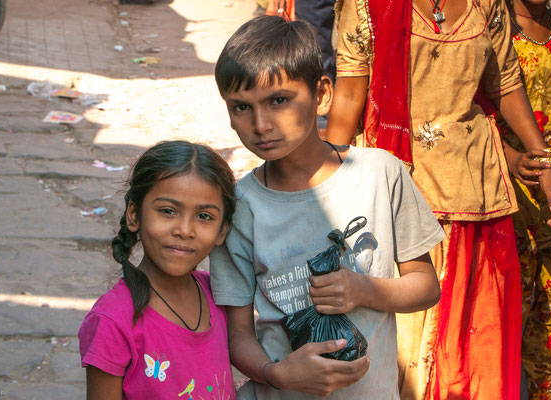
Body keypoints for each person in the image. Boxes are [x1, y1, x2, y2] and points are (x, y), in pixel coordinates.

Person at [325, 0, 551, 399]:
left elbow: (505, 83)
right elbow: (348, 97)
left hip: (478, 201)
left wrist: (544, 158)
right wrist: (324, 190)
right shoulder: (366, 5)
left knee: (474, 360)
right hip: (401, 207)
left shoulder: (487, 4)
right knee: (409, 360)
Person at [210, 15, 445, 399]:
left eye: (279, 101)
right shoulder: (239, 208)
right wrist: (278, 374)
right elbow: (238, 336)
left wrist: (365, 290)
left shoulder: (380, 174)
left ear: (321, 94)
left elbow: (425, 286)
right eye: (241, 107)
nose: (261, 124)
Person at [78, 141, 237, 400]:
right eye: (167, 211)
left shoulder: (218, 295)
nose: (184, 230)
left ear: (222, 231)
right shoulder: (113, 321)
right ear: (134, 214)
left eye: (204, 216)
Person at [497, 1, 551, 397]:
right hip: (505, 206)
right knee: (501, 331)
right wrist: (514, 158)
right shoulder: (492, 27)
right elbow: (463, 115)